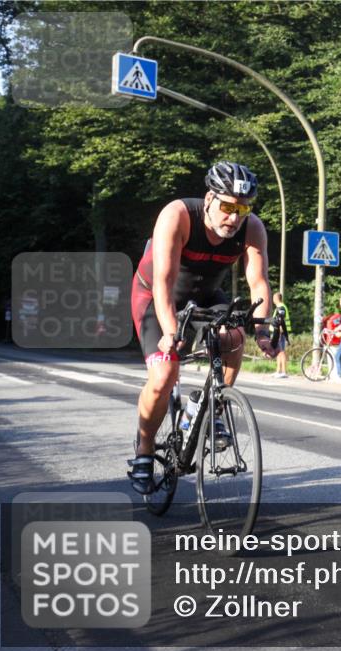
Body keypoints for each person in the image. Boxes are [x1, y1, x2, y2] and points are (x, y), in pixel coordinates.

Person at [127, 161, 276, 493]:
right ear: (209, 199)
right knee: (164, 374)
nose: (234, 217)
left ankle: (214, 406)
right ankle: (145, 447)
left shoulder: (252, 228)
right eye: (226, 207)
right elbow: (163, 284)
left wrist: (263, 332)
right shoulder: (177, 215)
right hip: (154, 296)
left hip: (207, 296)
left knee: (234, 334)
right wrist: (169, 332)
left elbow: (259, 283)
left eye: (242, 209)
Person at [271, 292, 292, 378]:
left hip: (281, 333)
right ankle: (278, 371)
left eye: (273, 298)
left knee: (281, 351)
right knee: (278, 352)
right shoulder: (279, 307)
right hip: (279, 333)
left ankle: (284, 372)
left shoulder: (281, 307)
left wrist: (279, 333)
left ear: (276, 299)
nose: (272, 300)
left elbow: (281, 322)